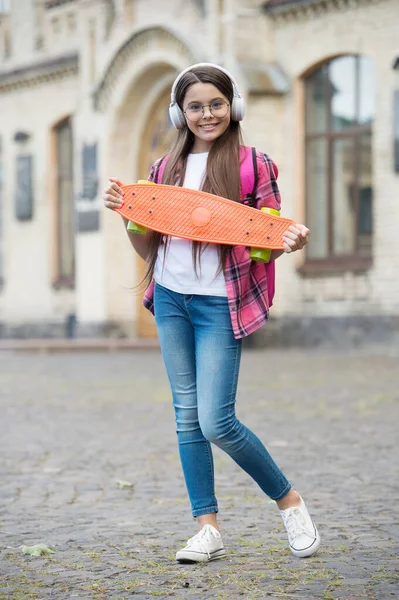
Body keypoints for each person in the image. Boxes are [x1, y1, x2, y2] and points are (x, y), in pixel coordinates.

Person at [103, 63, 320, 563]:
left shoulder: (254, 165)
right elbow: (147, 249)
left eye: (216, 104)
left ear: (233, 107)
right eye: (196, 106)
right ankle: (207, 528)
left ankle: (289, 502)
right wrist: (127, 215)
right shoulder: (163, 171)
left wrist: (288, 242)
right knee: (186, 418)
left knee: (216, 421)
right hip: (172, 300)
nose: (207, 114)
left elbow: (266, 241)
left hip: (221, 302)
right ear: (180, 113)